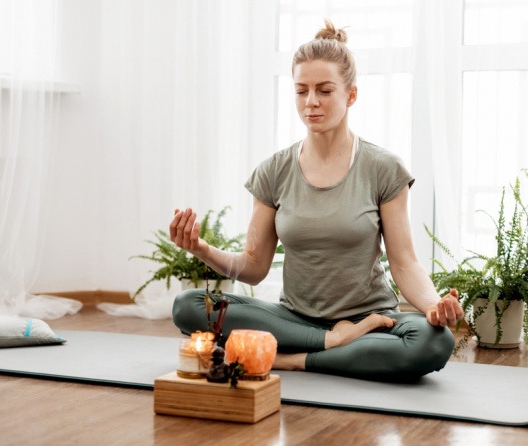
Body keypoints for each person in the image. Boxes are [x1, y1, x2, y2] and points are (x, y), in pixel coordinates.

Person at [171, 19, 463, 383]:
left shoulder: (383, 168)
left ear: (350, 95)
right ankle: (330, 343)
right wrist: (200, 248)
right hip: (294, 320)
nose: (311, 102)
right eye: (301, 91)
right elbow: (253, 266)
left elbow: (404, 264)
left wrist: (434, 305)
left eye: (325, 91)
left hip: (372, 321)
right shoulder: (274, 171)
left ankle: (292, 360)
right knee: (188, 306)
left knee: (433, 342)